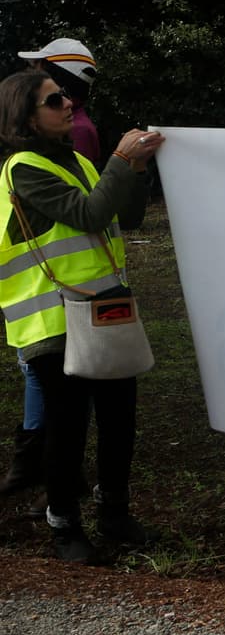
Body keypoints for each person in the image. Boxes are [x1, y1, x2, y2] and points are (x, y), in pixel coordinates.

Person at [0, 69, 164, 563]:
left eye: (66, 96)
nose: (68, 103)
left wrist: (134, 171)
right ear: (26, 117)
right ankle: (64, 524)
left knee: (120, 418)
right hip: (51, 320)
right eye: (54, 100)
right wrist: (118, 159)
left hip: (102, 306)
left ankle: (114, 512)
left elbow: (125, 217)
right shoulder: (22, 168)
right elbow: (89, 215)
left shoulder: (76, 161)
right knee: (67, 426)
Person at [0, 39, 102, 517]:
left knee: (59, 400)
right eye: (49, 94)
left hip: (70, 300)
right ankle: (48, 481)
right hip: (52, 303)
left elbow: (93, 211)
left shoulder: (73, 141)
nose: (59, 99)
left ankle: (37, 469)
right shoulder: (29, 159)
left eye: (55, 83)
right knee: (59, 401)